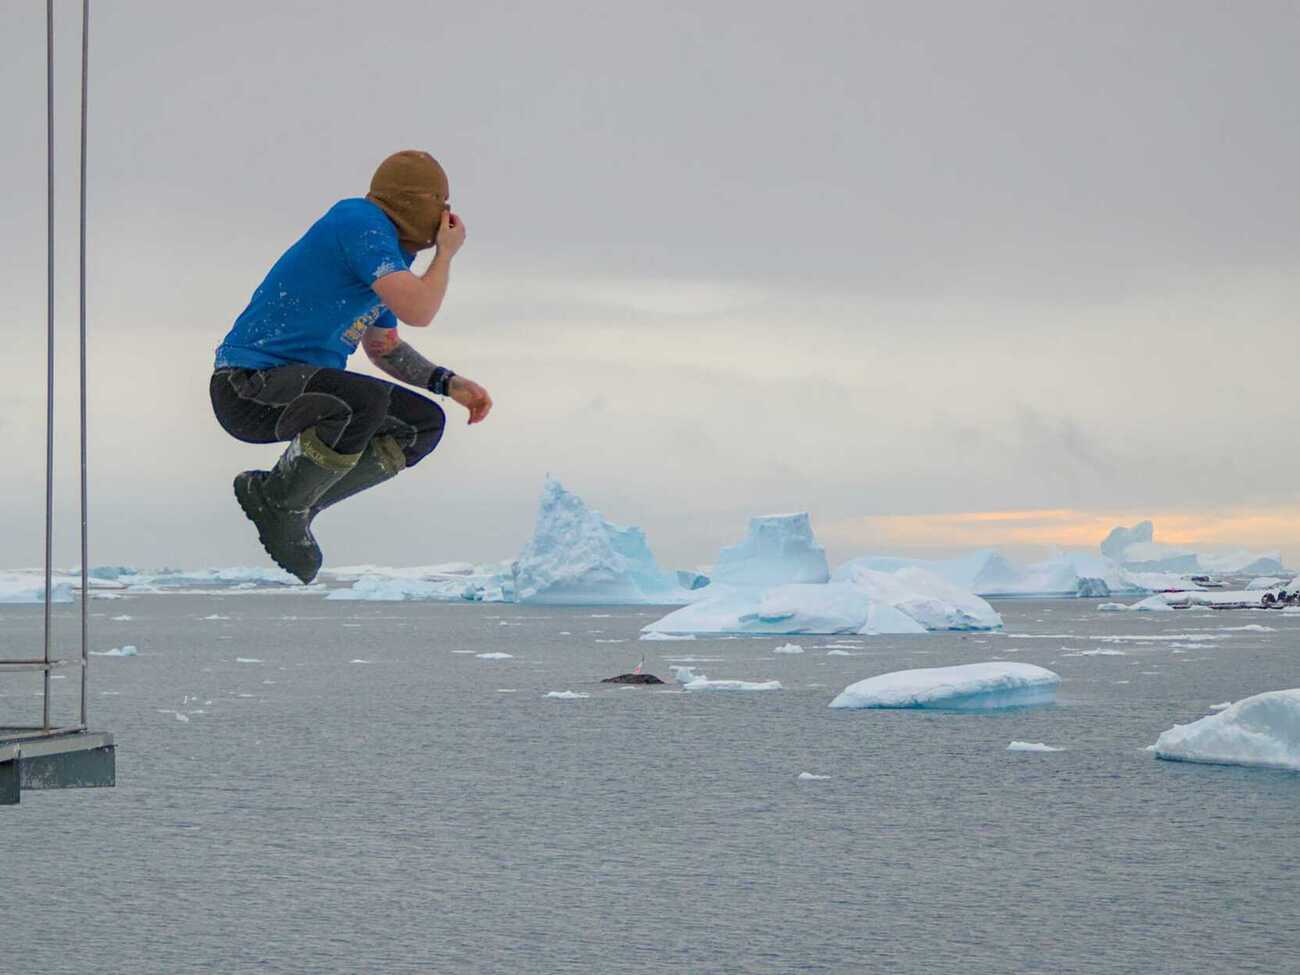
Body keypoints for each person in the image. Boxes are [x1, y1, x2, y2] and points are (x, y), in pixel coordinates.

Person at [209, 150, 492, 583]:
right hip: (249, 387)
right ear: (418, 203)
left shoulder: (386, 257)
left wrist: (446, 382)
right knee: (363, 402)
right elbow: (420, 310)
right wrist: (446, 255)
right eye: (442, 204)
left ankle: (297, 505)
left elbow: (383, 347)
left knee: (421, 425)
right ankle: (280, 501)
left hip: (305, 391)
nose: (446, 217)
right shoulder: (360, 223)